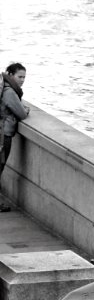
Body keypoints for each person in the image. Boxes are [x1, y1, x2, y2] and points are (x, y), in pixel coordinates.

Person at [0, 63, 29, 212]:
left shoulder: (3, 87)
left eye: (24, 77)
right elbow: (22, 114)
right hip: (4, 134)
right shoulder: (10, 92)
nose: (22, 80)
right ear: (10, 75)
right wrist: (25, 109)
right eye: (20, 76)